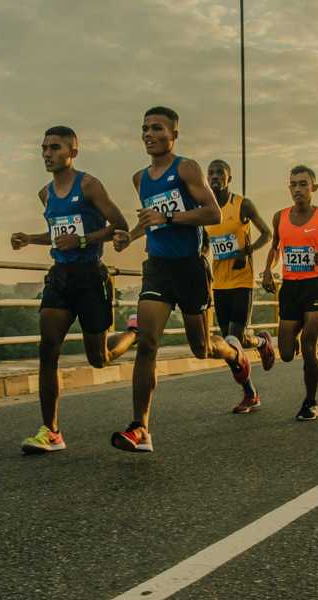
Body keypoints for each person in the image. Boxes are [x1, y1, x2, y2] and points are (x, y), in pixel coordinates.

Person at [109, 106, 258, 452]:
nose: (149, 134)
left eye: (157, 128)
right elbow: (151, 220)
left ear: (173, 134)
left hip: (190, 268)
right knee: (148, 344)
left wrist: (171, 216)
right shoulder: (140, 178)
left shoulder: (186, 168)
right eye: (145, 128)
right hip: (158, 267)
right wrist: (129, 237)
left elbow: (212, 212)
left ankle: (236, 354)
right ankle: (140, 428)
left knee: (202, 346)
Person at [13, 125, 139, 454]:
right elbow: (57, 234)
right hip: (60, 278)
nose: (47, 154)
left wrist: (83, 240)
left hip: (90, 277)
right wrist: (30, 238)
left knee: (100, 358)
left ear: (72, 151)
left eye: (55, 148)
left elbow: (120, 225)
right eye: (44, 148)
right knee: (48, 349)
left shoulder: (89, 185)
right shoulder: (45, 193)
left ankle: (133, 333)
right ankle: (50, 431)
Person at [261, 165, 318, 421]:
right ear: (289, 188)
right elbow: (275, 246)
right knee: (287, 354)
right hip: (290, 288)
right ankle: (299, 333)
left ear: (314, 188)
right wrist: (268, 269)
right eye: (294, 184)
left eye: (303, 184)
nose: (298, 189)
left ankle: (310, 402)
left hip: (315, 285)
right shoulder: (280, 217)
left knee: (308, 347)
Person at [203, 159, 275, 413]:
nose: (214, 177)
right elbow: (204, 244)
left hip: (242, 280)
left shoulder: (241, 204)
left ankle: (249, 394)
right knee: (231, 345)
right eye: (210, 173)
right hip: (219, 283)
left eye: (219, 173)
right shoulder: (206, 209)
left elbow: (267, 233)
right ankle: (262, 343)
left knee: (233, 339)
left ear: (228, 179)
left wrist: (249, 250)